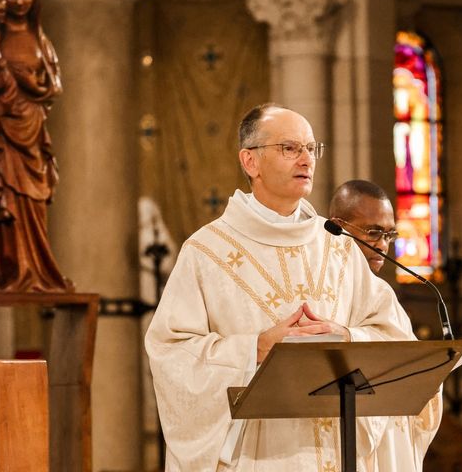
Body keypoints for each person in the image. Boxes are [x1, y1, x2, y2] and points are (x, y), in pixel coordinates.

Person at [145, 103, 442, 471]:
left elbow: (397, 339)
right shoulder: (207, 252)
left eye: (311, 148)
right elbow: (171, 353)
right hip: (260, 456)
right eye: (290, 148)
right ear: (249, 161)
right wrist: (255, 347)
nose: (306, 159)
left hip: (339, 446)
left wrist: (346, 337)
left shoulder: (339, 246)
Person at [0, 0, 72, 292]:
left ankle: (35, 270)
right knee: (2, 198)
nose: (19, 2)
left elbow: (55, 86)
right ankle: (0, 272)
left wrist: (32, 85)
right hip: (0, 128)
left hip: (31, 130)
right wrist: (3, 80)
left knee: (33, 201)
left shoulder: (40, 39)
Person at [329, 179, 398, 275]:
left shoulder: (383, 290)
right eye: (373, 233)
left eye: (389, 235)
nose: (383, 246)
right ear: (337, 228)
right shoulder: (315, 282)